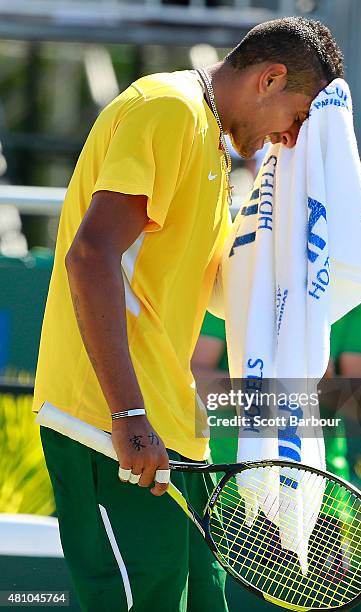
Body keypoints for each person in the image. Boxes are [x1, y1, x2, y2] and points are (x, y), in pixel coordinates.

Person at [32, 17, 344, 611]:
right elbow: (90, 256)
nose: (290, 138)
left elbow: (219, 293)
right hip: (110, 426)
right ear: (270, 79)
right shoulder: (169, 108)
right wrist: (129, 414)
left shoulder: (212, 143)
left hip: (171, 437)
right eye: (297, 120)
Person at [192, 288, 361, 478]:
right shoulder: (234, 271)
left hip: (320, 485)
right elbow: (195, 381)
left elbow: (360, 402)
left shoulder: (355, 280)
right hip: (225, 478)